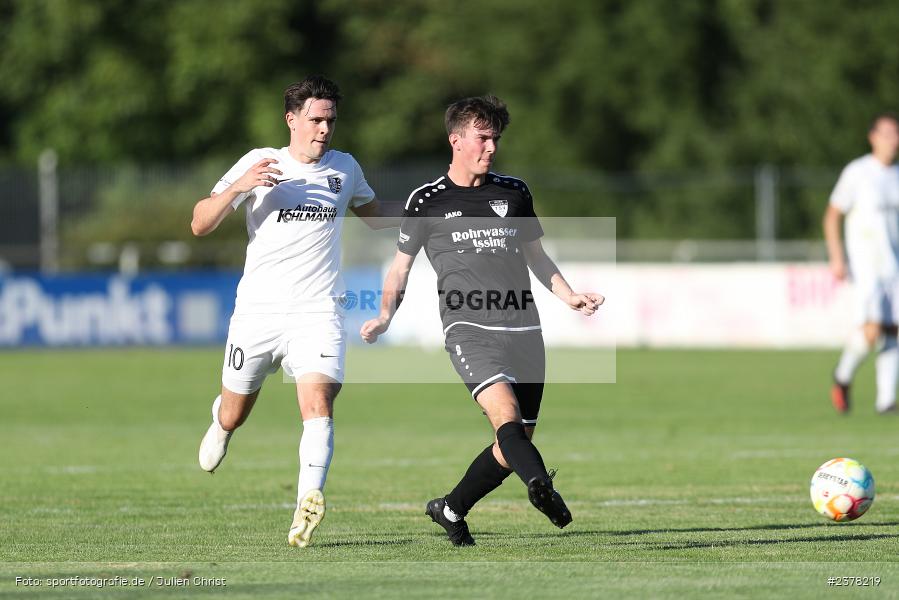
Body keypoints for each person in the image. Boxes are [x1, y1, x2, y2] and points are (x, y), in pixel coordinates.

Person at [359, 95, 604, 545]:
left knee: (517, 440)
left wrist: (569, 295)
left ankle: (450, 508)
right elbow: (400, 268)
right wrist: (385, 314)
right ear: (456, 140)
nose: (491, 147)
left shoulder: (515, 192)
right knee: (505, 418)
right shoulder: (426, 200)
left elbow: (536, 256)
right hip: (469, 329)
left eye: (496, 139)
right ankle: (541, 487)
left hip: (525, 329)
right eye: (483, 137)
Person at [191, 75, 387, 547]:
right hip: (257, 314)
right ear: (292, 120)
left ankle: (307, 502)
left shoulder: (345, 168)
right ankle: (222, 422)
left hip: (318, 312)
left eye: (330, 120)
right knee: (235, 413)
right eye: (316, 119)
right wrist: (239, 186)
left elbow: (379, 218)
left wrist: (436, 211)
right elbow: (199, 223)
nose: (324, 129)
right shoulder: (261, 163)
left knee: (318, 404)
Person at [824, 111, 899, 414]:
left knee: (894, 330)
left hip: (895, 266)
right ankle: (842, 376)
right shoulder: (858, 172)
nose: (893, 140)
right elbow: (832, 215)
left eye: (896, 134)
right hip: (867, 265)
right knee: (870, 331)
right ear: (873, 138)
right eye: (887, 134)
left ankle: (886, 400)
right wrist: (837, 257)